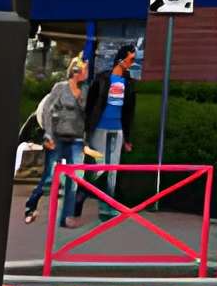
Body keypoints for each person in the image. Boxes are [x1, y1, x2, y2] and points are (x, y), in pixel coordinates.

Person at [23, 56, 88, 227]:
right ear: (76, 71)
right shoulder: (60, 88)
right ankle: (31, 205)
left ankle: (66, 218)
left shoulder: (85, 92)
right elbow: (47, 111)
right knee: (49, 177)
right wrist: (48, 135)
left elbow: (84, 118)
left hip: (75, 140)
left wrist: (84, 140)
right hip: (57, 139)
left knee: (74, 180)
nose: (86, 72)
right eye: (84, 69)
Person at [77, 42, 138, 212]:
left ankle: (108, 204)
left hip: (118, 129)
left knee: (113, 169)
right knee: (97, 167)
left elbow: (129, 112)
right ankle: (80, 198)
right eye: (131, 59)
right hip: (100, 127)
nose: (132, 63)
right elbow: (90, 105)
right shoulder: (102, 78)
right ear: (121, 59)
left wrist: (127, 138)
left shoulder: (129, 83)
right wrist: (87, 130)